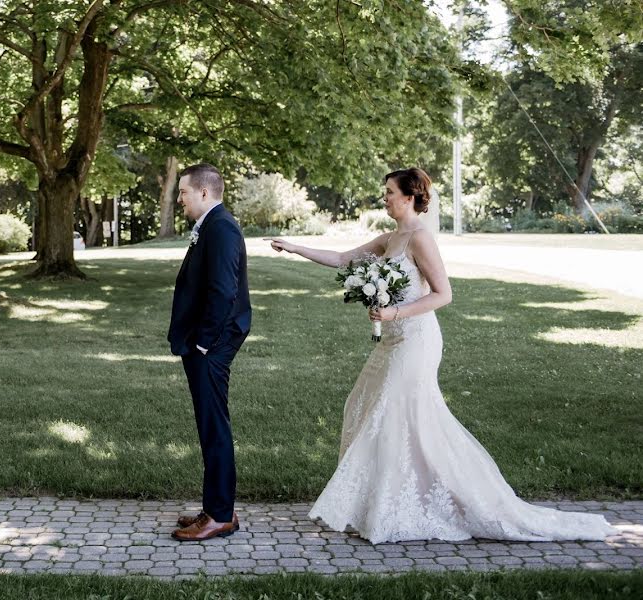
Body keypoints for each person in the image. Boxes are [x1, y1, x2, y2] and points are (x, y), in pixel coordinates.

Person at [267, 167, 615, 543]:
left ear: (410, 197)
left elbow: (443, 295)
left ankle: (442, 503)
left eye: (389, 191)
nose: (383, 197)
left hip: (416, 339)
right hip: (392, 341)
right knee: (365, 405)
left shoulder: (420, 238)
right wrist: (295, 247)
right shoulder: (390, 237)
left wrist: (393, 312)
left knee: (394, 412)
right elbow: (340, 259)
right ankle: (391, 502)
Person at [168, 163, 251, 541]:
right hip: (205, 343)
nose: (179, 198)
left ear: (204, 193)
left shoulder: (221, 227)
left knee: (214, 428)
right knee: (209, 426)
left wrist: (202, 343)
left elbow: (223, 291)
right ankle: (217, 506)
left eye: (183, 192)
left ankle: (219, 516)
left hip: (211, 345)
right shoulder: (211, 226)